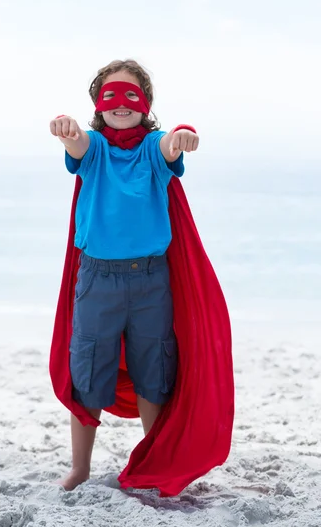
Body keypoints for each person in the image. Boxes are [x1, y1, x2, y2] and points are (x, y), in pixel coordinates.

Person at [49, 59, 234, 497]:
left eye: (131, 96)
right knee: (89, 370)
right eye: (110, 95)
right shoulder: (94, 149)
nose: (120, 104)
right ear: (98, 103)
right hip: (98, 280)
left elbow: (170, 147)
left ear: (145, 104)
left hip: (151, 281)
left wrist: (181, 134)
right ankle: (80, 467)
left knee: (156, 369)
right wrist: (67, 130)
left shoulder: (152, 148)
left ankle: (154, 460)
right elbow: (77, 146)